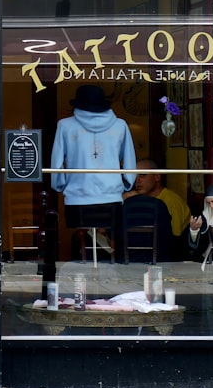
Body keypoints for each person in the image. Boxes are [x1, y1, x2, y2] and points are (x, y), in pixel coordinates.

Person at [50, 84, 137, 259]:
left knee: (82, 240)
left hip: (77, 195)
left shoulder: (65, 126)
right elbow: (129, 160)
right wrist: (127, 182)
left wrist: (59, 185)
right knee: (99, 238)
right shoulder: (120, 125)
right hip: (111, 196)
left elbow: (57, 162)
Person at [124, 158, 191, 258]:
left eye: (142, 175)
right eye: (135, 176)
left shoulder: (171, 201)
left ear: (157, 177)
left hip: (171, 257)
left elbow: (174, 238)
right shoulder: (138, 200)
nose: (137, 181)